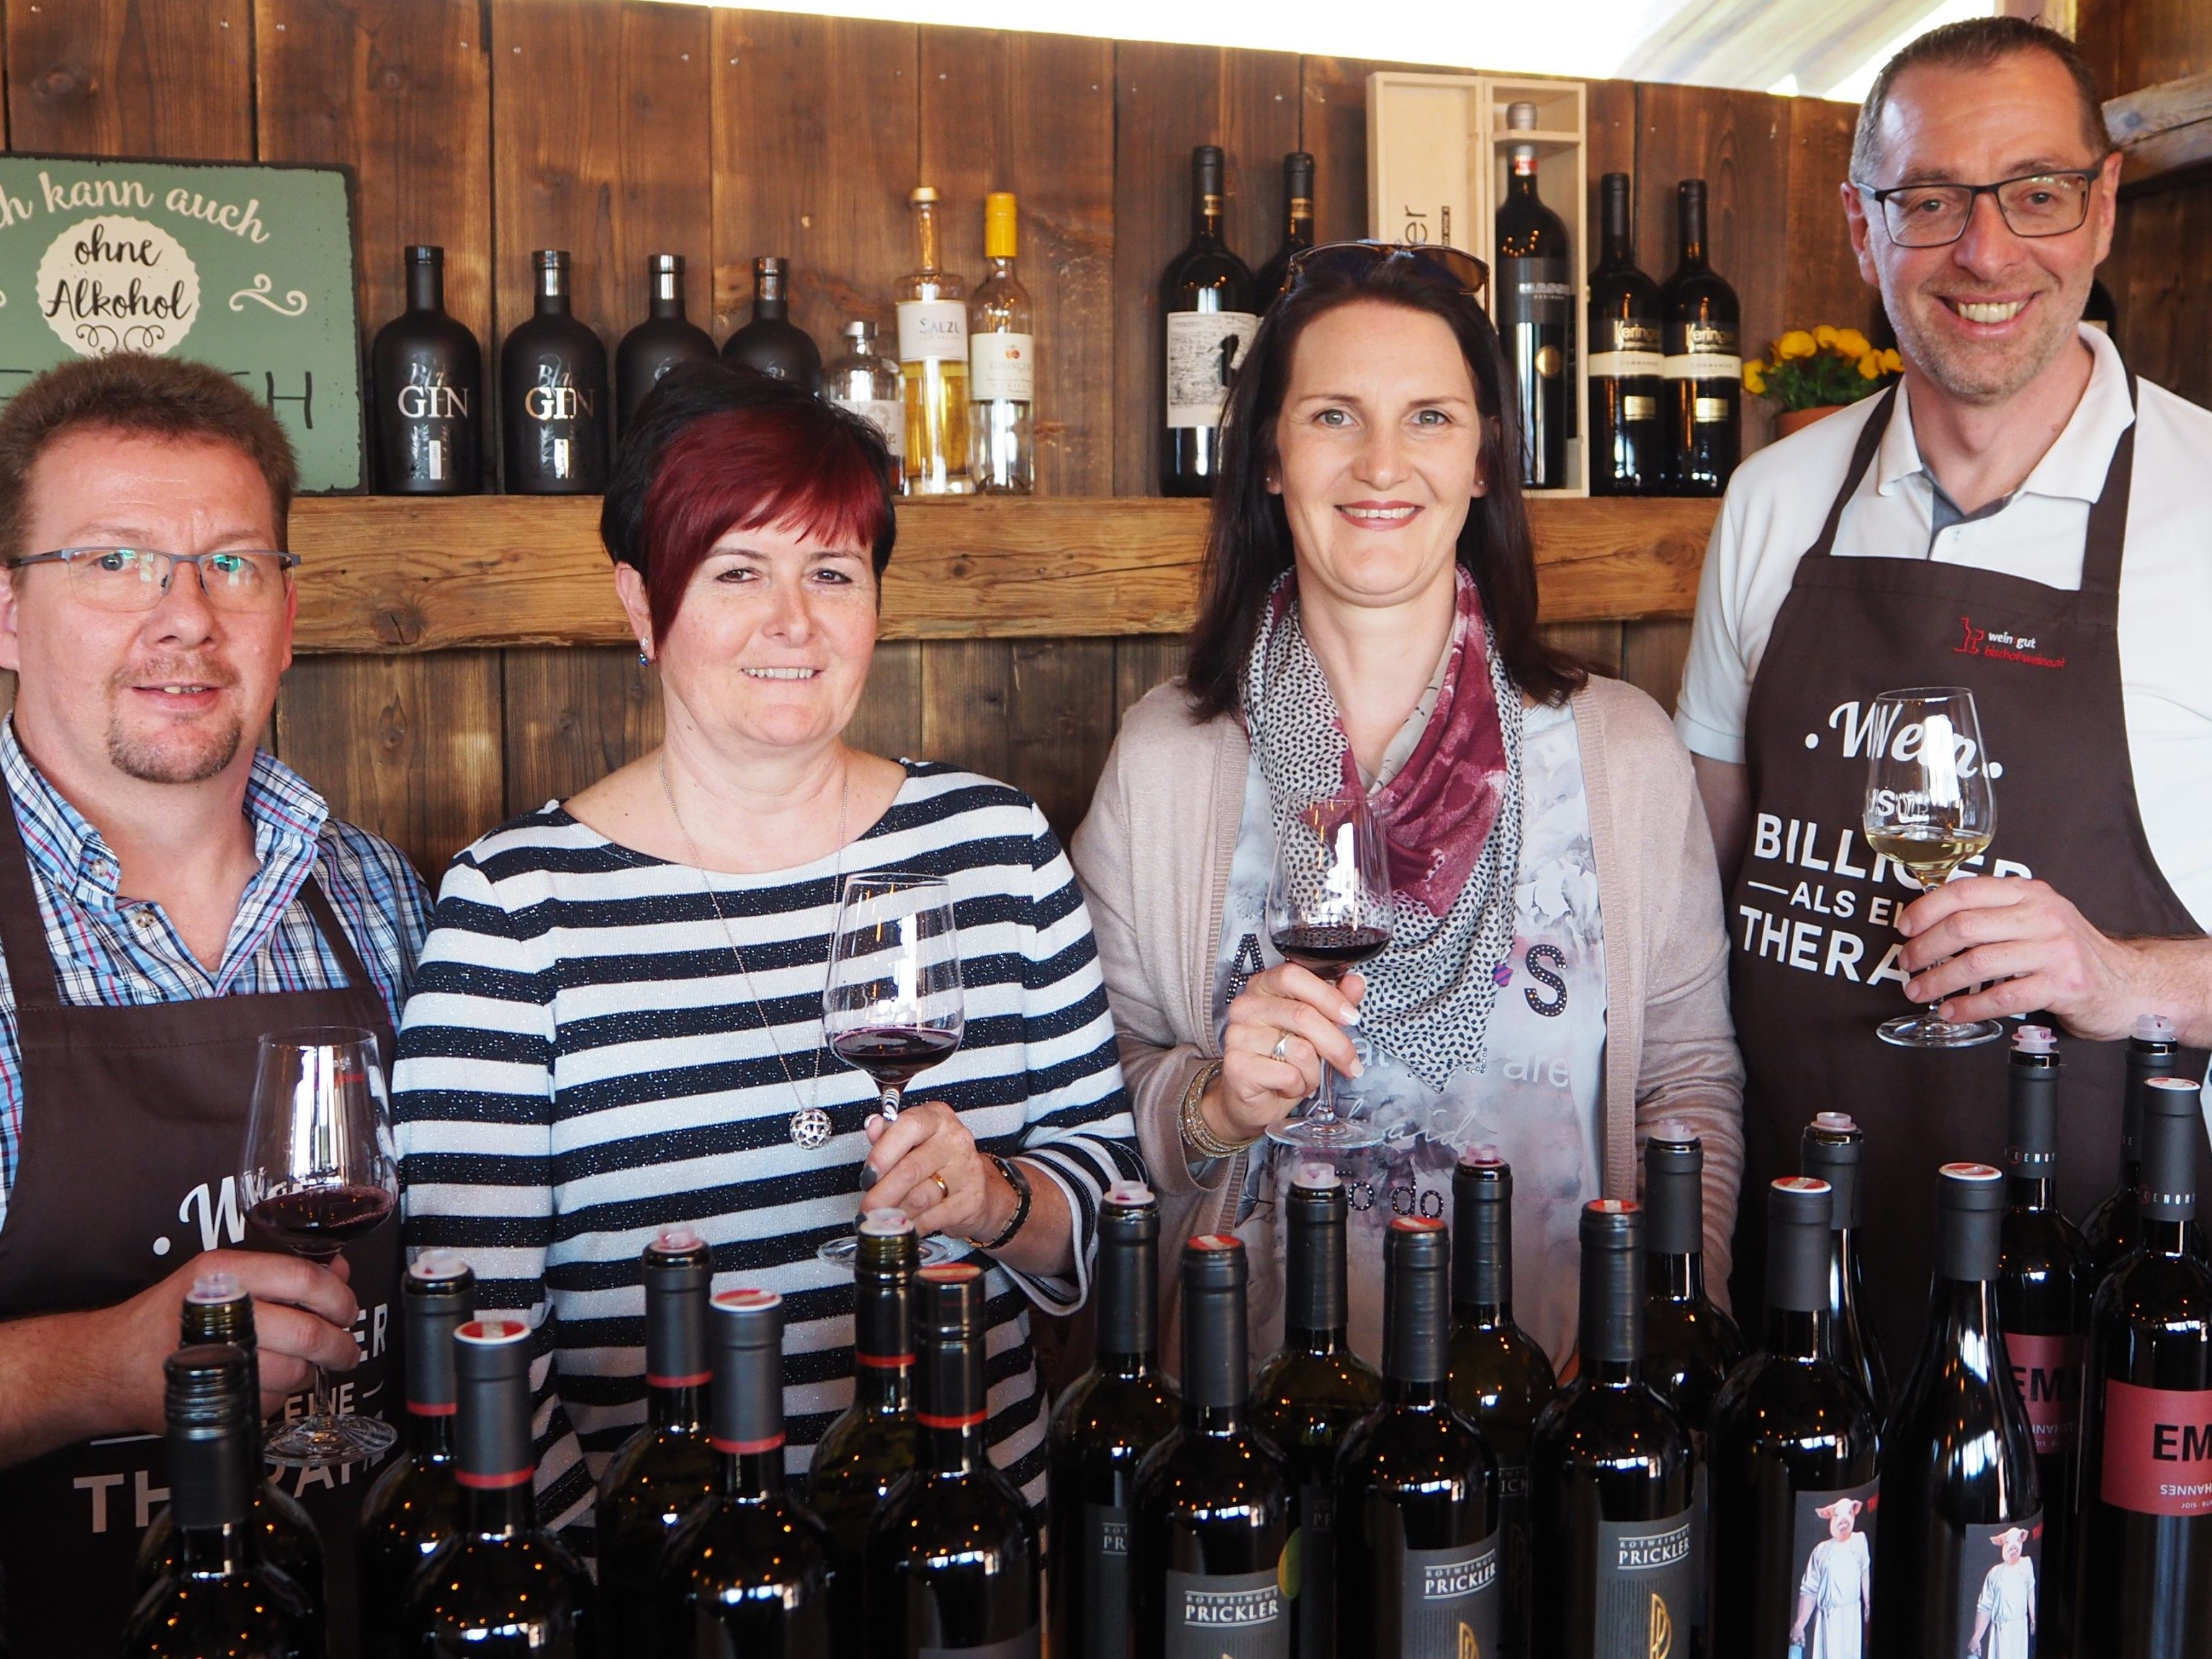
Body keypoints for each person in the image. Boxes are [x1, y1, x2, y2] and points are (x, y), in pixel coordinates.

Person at [392, 364, 1140, 1531]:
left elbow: (1107, 1197)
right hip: (663, 1592)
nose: (793, 620)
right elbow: (475, 1330)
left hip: (967, 1565)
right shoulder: (516, 904)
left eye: (830, 571)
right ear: (644, 605)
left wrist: (993, 1199)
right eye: (737, 571)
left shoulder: (995, 847)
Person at [1071, 245, 1743, 1368]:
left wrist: (1653, 1338)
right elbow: (1102, 1091)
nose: (1383, 464)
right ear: (1272, 459)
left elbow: (1689, 1086)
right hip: (1256, 1420)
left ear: (1484, 458)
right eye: (1334, 415)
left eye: (1429, 417)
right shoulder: (1166, 760)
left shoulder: (1621, 749)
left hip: (1554, 1406)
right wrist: (1214, 1107)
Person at [1674, 16, 2212, 1361]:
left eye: (2033, 193)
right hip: (1803, 1282)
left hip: (2101, 1298)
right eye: (1928, 201)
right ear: (1863, 232)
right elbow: (1701, 900)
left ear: (2097, 216)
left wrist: (2118, 971)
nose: (1984, 252)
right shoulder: (1770, 503)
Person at [0, 354, 428, 1653]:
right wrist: (97, 1366)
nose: (184, 615)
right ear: (8, 615)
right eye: (116, 560)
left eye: (231, 563)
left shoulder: (381, 895)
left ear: (286, 616)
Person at [1791, 1496, 1871, 1659]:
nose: (1844, 1520)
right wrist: (1800, 1624)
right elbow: (1810, 1590)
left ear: (1854, 1513)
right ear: (1829, 1515)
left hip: (1850, 1616)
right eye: (1837, 1515)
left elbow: (1864, 1571)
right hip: (1828, 1619)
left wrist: (1868, 1602)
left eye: (1849, 1512)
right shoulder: (1821, 1550)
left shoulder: (1859, 1541)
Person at [1968, 1527, 2036, 1659]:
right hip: (1999, 1630)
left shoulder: (2026, 1564)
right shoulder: (1994, 1573)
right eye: (2008, 1542)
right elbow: (1985, 1607)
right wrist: (1976, 1638)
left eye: (2018, 1541)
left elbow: (2030, 1590)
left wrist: (2033, 1618)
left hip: (2018, 1628)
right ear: (2002, 1543)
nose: (2013, 1547)